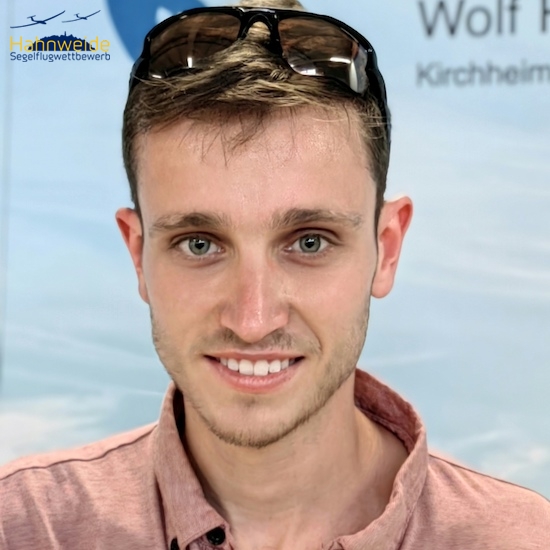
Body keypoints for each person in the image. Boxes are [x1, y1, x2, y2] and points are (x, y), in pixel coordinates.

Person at [1, 1, 549, 548]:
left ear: (386, 249)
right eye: (199, 244)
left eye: (309, 242)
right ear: (138, 254)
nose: (253, 320)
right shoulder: (25, 526)